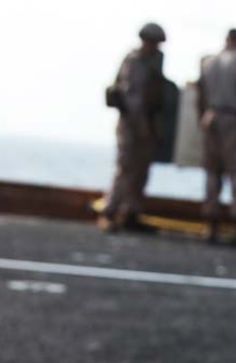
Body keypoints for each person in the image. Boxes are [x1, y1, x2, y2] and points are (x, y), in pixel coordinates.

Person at [99, 23, 166, 233]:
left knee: (141, 171)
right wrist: (142, 124)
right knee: (125, 168)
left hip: (146, 123)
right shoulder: (135, 61)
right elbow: (133, 97)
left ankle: (131, 213)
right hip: (132, 124)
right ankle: (109, 211)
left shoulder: (153, 61)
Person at [198, 29, 236, 244]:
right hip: (234, 119)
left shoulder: (208, 63)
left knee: (212, 173)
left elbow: (200, 96)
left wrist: (203, 118)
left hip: (211, 118)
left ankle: (210, 225)